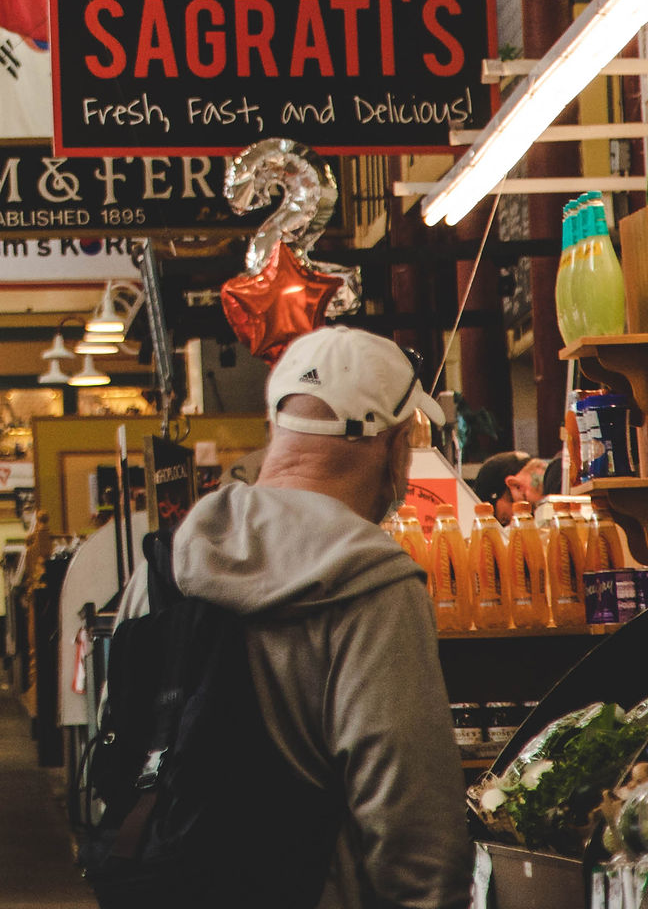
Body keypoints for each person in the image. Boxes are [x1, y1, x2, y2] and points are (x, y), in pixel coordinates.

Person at [170, 326, 469, 909]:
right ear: (396, 443)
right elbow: (410, 814)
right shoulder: (373, 584)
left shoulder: (169, 560)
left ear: (277, 429)